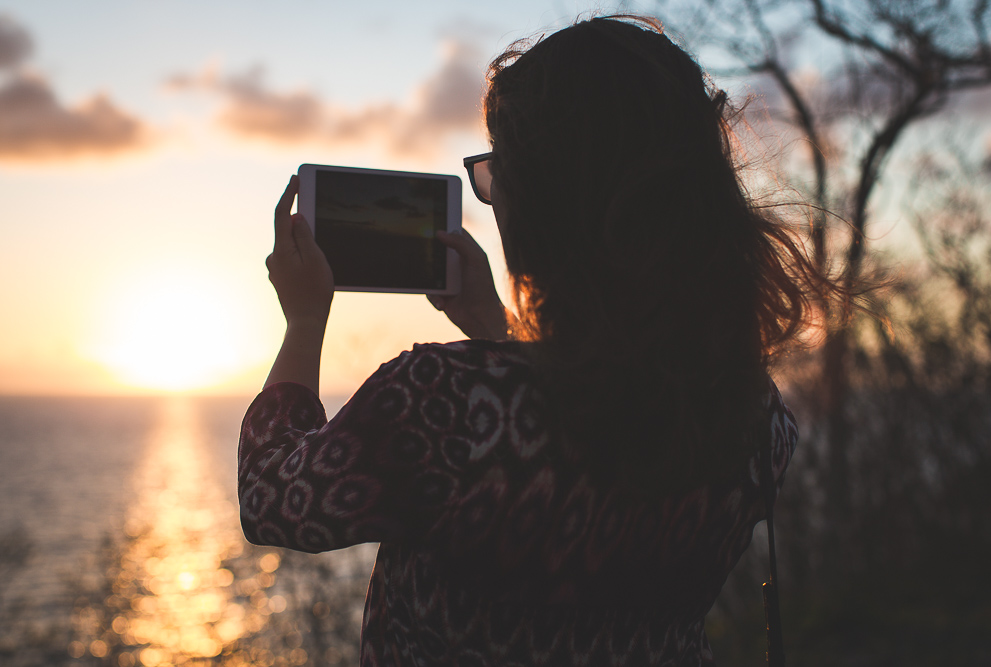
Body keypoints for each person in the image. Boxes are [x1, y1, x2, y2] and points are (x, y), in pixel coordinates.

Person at [239, 14, 839, 666]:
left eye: (500, 172)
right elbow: (586, 426)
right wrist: (496, 328)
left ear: (547, 201)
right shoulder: (754, 422)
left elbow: (273, 499)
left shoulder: (443, 402)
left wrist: (304, 321)